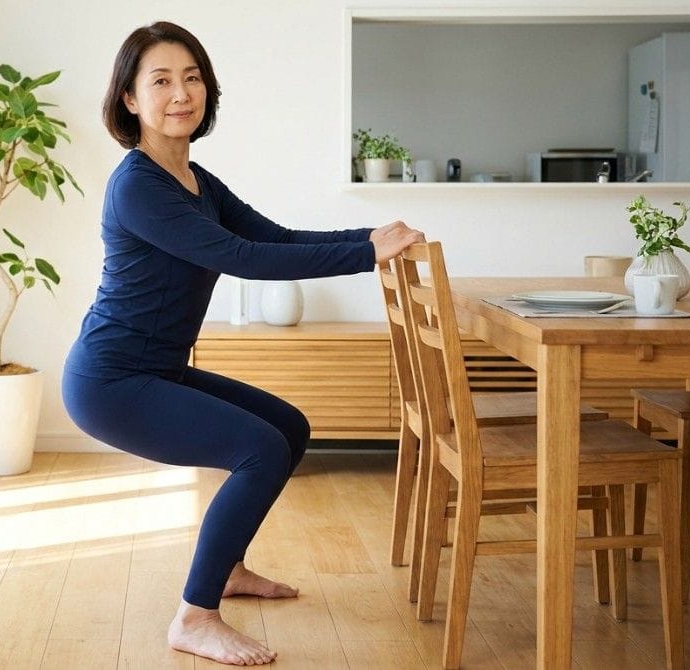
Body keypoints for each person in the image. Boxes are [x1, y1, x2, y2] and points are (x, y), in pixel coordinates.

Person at [61, 21, 425, 666]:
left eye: (192, 77)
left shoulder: (196, 180)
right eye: (162, 81)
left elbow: (276, 236)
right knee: (258, 448)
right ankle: (195, 616)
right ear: (130, 99)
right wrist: (366, 254)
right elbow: (243, 257)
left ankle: (226, 568)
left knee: (286, 426)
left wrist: (369, 233)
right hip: (111, 382)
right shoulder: (139, 185)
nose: (182, 93)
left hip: (156, 369)